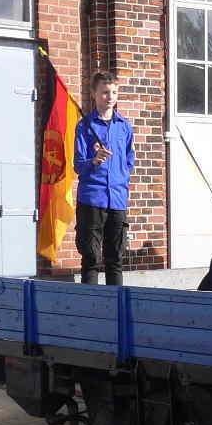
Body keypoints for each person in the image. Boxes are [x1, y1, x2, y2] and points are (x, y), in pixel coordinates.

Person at [73, 71, 135, 285]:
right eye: (105, 92)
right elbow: (78, 165)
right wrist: (94, 160)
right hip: (92, 199)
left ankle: (116, 304)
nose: (110, 97)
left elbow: (129, 159)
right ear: (94, 94)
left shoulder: (124, 126)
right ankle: (90, 304)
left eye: (114, 92)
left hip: (117, 199)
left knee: (115, 259)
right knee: (91, 259)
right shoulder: (84, 126)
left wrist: (122, 178)